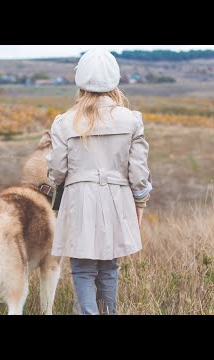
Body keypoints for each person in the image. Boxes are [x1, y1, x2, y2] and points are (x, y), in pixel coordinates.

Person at [45, 48, 152, 315]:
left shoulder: (64, 123)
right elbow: (138, 173)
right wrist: (140, 204)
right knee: (109, 266)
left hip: (78, 202)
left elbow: (57, 171)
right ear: (114, 81)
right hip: (118, 202)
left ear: (80, 82)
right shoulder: (131, 120)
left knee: (82, 269)